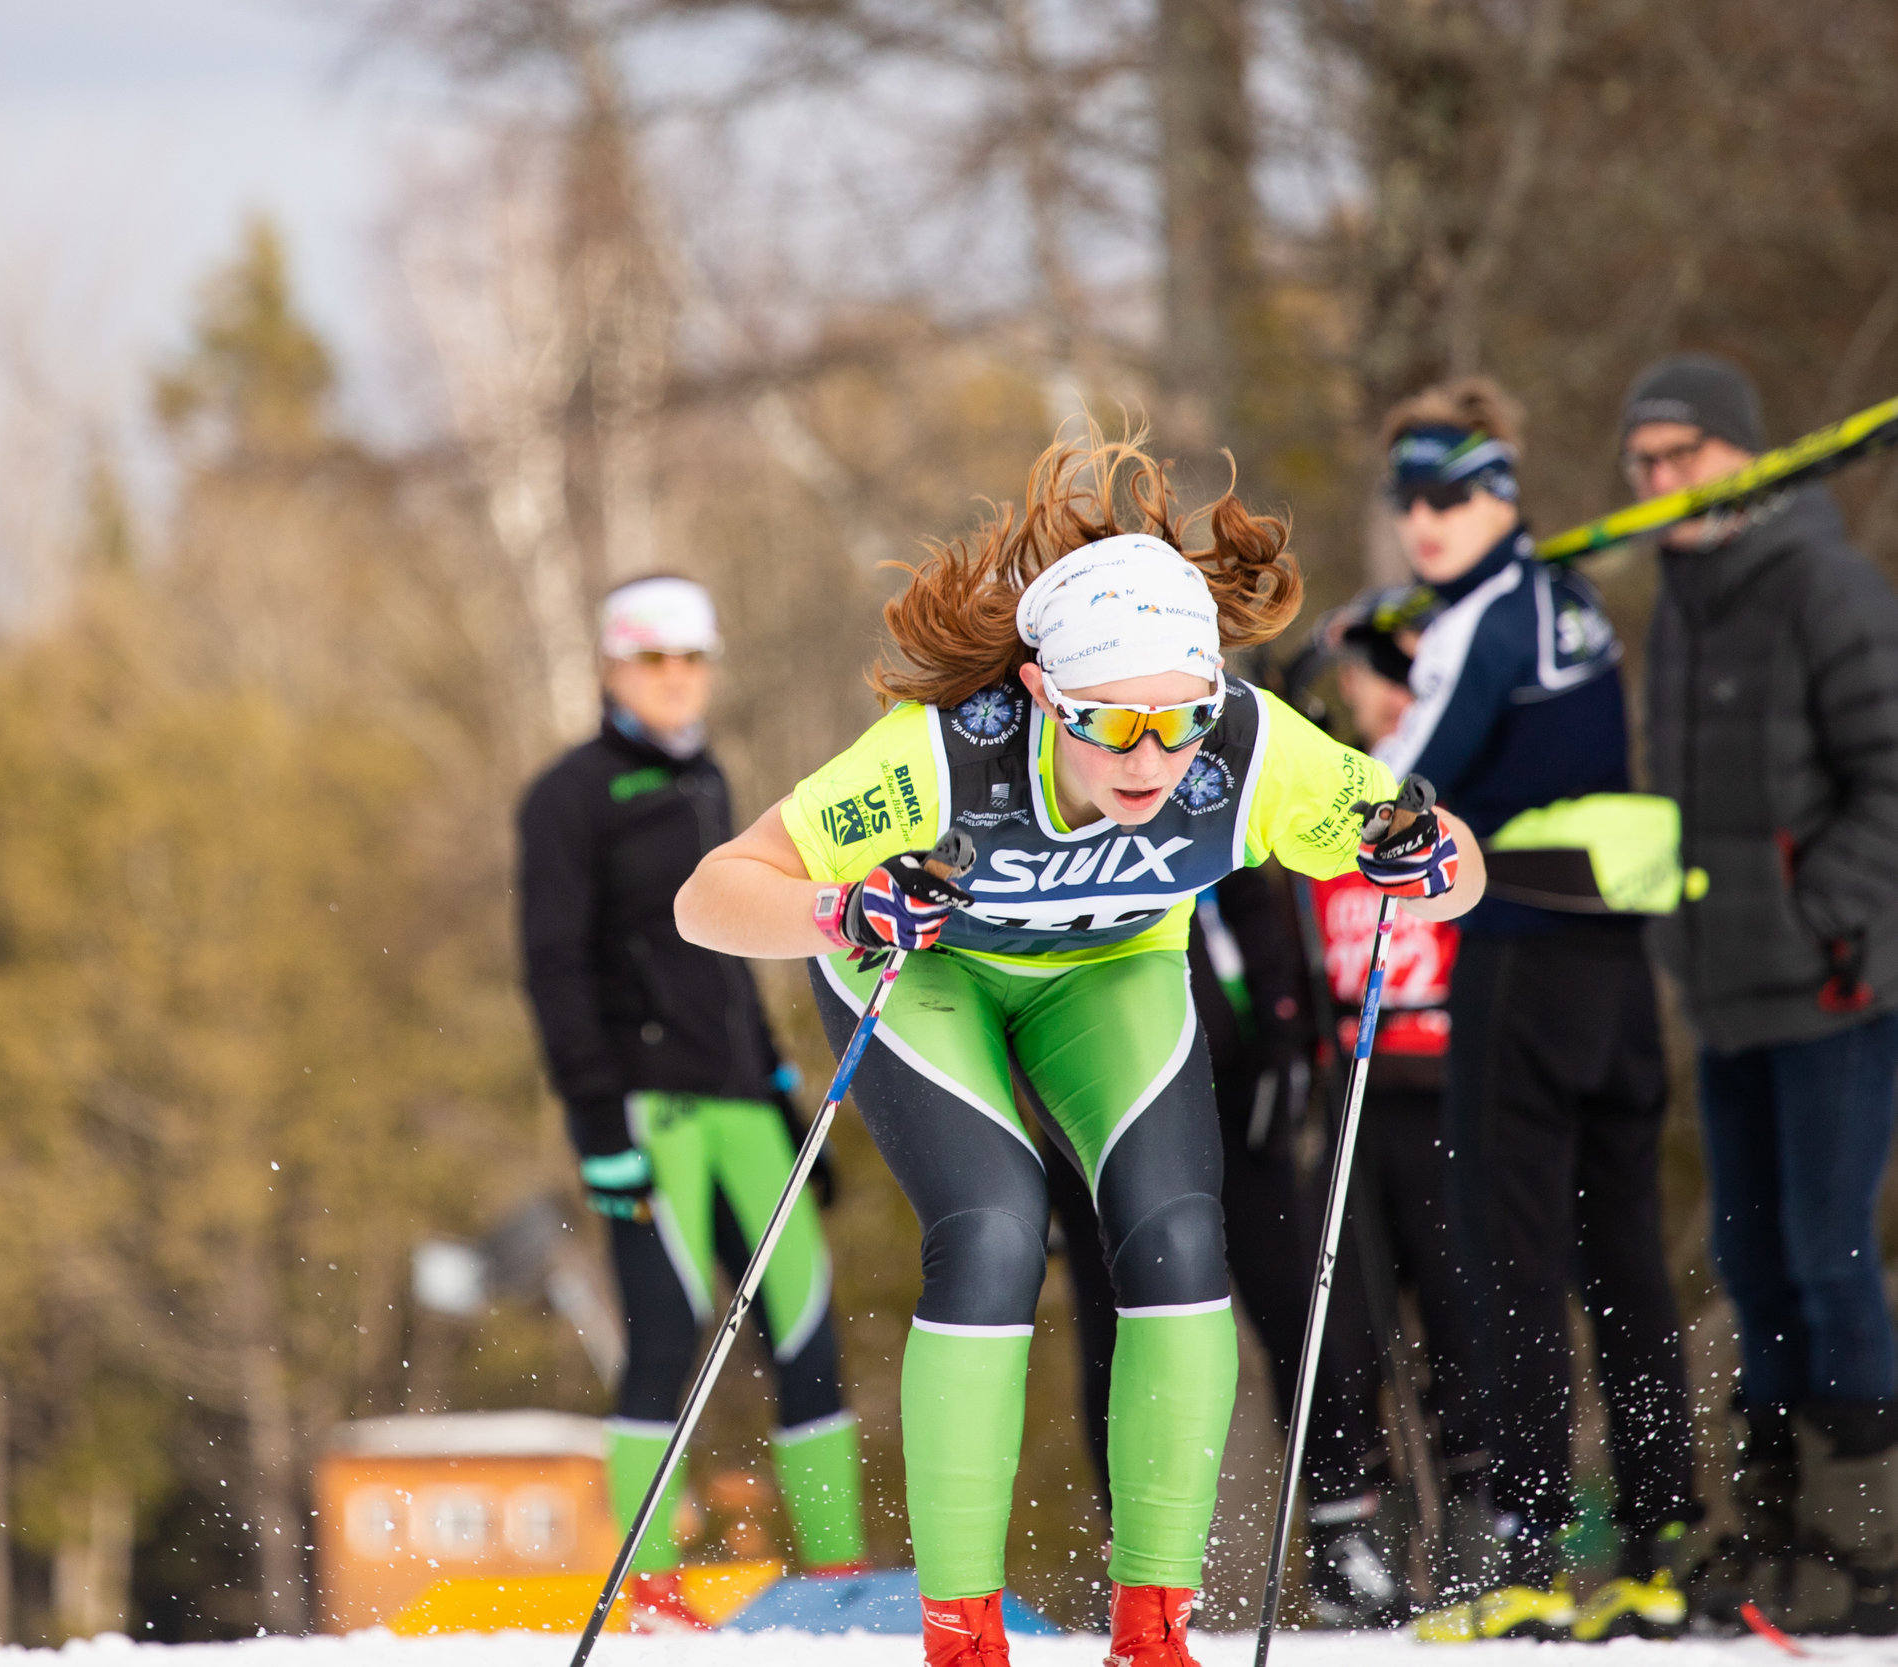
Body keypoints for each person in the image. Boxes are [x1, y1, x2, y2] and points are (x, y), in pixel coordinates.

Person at [673, 433, 1484, 1667]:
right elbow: (709, 895)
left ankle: (1151, 1628)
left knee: (1177, 1233)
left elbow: (1453, 864)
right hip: (930, 973)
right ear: (1051, 696)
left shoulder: (1249, 750)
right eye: (1115, 727)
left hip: (1107, 977)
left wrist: (1423, 862)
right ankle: (961, 1633)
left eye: (1180, 721)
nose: (1154, 759)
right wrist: (842, 907)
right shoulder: (941, 755)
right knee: (994, 1229)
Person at [1366, 379, 1703, 1645]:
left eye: (1450, 493)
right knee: (1622, 1259)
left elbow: (1404, 785)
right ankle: (1660, 1545)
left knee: (1505, 1260)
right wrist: (1398, 654)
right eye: (1406, 499)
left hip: (1518, 957)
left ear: (1502, 494)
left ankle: (1518, 1552)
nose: (1424, 520)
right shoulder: (1566, 597)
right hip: (1617, 966)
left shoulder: (1483, 613)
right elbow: (1534, 725)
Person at [516, 575, 867, 1630]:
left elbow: (732, 960)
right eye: (653, 661)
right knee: (665, 1335)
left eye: (691, 660)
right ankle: (650, 1590)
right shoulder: (569, 794)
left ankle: (840, 1579)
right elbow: (554, 969)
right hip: (645, 1111)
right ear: (614, 668)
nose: (675, 681)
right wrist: (595, 1127)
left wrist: (782, 1091)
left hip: (740, 1106)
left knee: (806, 1325)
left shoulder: (709, 778)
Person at [1627, 352, 1898, 1637]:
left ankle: (1867, 1542)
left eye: (1685, 453)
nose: (1664, 479)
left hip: (1831, 988)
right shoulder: (1684, 598)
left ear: (1745, 452)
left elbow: (1888, 779)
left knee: (1826, 1250)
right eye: (1645, 461)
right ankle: (1773, 1529)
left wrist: (1811, 916)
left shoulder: (1822, 585)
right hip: (1724, 993)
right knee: (1749, 1257)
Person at [1052, 854, 1414, 1629]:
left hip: (1227, 1084)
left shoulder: (1185, 754)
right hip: (1089, 1088)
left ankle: (1341, 1529)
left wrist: (1287, 1036)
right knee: (1116, 1333)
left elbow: (1249, 889)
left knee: (1293, 1307)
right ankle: (1140, 1567)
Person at [1304, 599, 1497, 1604]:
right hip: (1354, 1093)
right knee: (1343, 1320)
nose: (1362, 701)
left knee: (1464, 1309)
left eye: (1375, 680)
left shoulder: (1454, 781)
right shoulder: (1335, 794)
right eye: (1353, 687)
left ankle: (1480, 1530)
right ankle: (1349, 1539)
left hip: (1449, 1089)